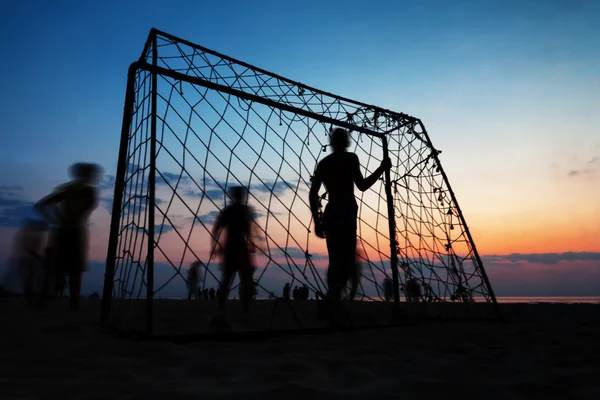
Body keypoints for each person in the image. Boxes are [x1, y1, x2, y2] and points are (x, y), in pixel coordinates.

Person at [309, 128, 390, 308]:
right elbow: (362, 185)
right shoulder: (350, 158)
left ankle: (334, 298)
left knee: (335, 260)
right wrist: (381, 169)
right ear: (346, 141)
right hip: (346, 212)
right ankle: (335, 297)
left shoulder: (324, 163)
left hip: (331, 213)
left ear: (331, 142)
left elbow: (312, 193)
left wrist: (316, 220)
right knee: (346, 261)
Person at [35, 162, 101, 310]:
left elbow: (41, 205)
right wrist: (56, 218)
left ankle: (45, 300)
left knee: (58, 268)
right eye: (92, 173)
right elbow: (42, 205)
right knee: (73, 270)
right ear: (86, 174)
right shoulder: (85, 191)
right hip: (71, 231)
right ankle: (72, 303)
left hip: (64, 230)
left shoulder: (69, 189)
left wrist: (54, 219)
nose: (94, 176)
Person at [211, 186, 260, 319]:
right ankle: (242, 308)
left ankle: (225, 308)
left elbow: (216, 229)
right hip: (237, 248)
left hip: (234, 248)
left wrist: (214, 246)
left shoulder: (230, 210)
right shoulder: (240, 210)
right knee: (240, 280)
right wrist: (254, 242)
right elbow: (250, 228)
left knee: (231, 280)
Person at [10, 219, 47, 305]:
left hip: (30, 261)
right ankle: (31, 298)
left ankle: (31, 298)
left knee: (31, 280)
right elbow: (28, 249)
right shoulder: (31, 235)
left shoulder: (36, 235)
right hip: (27, 260)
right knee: (29, 279)